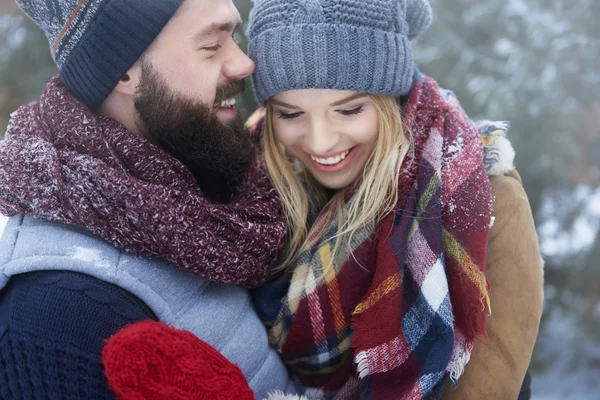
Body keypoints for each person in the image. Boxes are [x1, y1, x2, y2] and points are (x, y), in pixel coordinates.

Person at [245, 0, 544, 398]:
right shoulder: (247, 191)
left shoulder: (484, 195)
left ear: (390, 99)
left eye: (348, 110)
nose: (320, 141)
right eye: (289, 114)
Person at [0, 0, 297, 398]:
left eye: (234, 36)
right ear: (122, 68)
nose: (243, 64)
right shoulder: (57, 314)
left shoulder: (208, 183)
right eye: (212, 46)